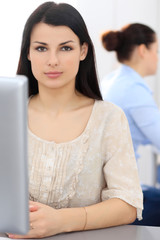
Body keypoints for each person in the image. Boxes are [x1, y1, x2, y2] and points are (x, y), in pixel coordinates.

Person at [8, 4, 143, 239]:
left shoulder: (109, 118)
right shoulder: (6, 115)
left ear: (83, 51)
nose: (52, 60)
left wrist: (61, 221)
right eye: (41, 48)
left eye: (65, 48)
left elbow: (127, 204)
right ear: (27, 53)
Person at [100, 23, 160, 226]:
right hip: (117, 196)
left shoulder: (113, 80)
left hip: (105, 188)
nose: (157, 57)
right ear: (143, 50)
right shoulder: (133, 89)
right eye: (157, 50)